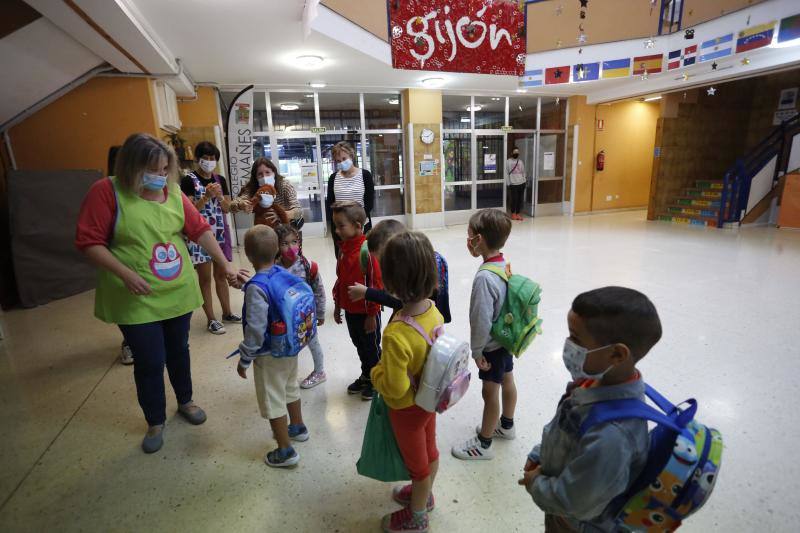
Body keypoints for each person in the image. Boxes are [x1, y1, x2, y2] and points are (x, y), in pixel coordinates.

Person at [75, 133, 241, 453]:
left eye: (165, 169)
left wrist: (225, 265)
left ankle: (186, 401)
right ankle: (155, 419)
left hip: (176, 292)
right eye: (153, 169)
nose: (160, 176)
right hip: (134, 296)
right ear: (131, 166)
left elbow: (200, 231)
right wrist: (125, 274)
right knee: (150, 360)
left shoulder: (174, 193)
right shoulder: (107, 192)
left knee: (179, 350)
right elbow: (89, 242)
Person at [519, 287, 660, 532]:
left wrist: (536, 484)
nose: (568, 345)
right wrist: (540, 453)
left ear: (616, 354)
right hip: (559, 500)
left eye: (575, 338)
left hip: (574, 524)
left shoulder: (613, 436)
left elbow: (576, 503)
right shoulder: (594, 381)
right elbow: (567, 430)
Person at [371, 231, 443, 533]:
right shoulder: (433, 311)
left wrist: (376, 374)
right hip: (430, 399)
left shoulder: (396, 333)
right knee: (431, 450)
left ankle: (417, 517)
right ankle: (423, 497)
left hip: (406, 410)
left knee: (418, 466)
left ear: (389, 282)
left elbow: (395, 388)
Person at [235, 225, 309, 468]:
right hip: (290, 346)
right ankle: (297, 427)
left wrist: (245, 358)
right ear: (277, 249)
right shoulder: (281, 272)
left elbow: (255, 329)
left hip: (269, 354)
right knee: (289, 387)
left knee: (273, 398)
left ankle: (285, 450)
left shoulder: (256, 287)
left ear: (248, 255)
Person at [452, 209, 516, 461]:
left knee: (490, 393)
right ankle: (506, 426)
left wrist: (477, 351)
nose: (467, 240)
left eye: (469, 236)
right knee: (508, 379)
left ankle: (484, 443)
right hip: (506, 339)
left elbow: (480, 320)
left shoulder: (484, 279)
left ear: (479, 240)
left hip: (490, 346)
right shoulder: (503, 265)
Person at [181, 141, 240, 335]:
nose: (208, 161)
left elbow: (227, 208)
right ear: (198, 159)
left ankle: (227, 312)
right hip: (199, 236)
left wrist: (220, 196)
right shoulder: (189, 180)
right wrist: (206, 197)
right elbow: (189, 213)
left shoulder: (220, 179)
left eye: (212, 158)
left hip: (220, 233)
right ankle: (211, 319)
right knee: (205, 278)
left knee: (221, 275)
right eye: (205, 158)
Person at [347, 219, 451, 323]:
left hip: (422, 321)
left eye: (385, 261)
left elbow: (402, 300)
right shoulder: (414, 258)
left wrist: (367, 293)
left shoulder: (413, 269)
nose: (384, 267)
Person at [331, 201, 382, 401]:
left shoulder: (366, 252)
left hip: (367, 313)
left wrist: (372, 315)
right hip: (351, 311)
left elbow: (375, 286)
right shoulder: (343, 250)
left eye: (341, 225)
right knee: (359, 344)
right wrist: (337, 305)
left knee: (371, 347)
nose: (336, 231)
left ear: (358, 225)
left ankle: (377, 379)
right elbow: (340, 280)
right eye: (335, 225)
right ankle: (366, 374)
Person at [274, 224, 327, 389]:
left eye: (294, 241)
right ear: (276, 247)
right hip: (285, 317)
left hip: (306, 315)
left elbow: (319, 290)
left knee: (313, 342)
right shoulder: (274, 268)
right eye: (284, 243)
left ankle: (320, 371)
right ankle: (287, 377)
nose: (291, 247)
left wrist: (320, 313)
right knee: (287, 345)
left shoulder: (308, 266)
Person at [325, 141, 375, 258]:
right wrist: (341, 225)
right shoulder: (333, 178)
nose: (342, 162)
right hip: (340, 227)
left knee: (364, 259)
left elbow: (369, 202)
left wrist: (355, 223)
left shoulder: (365, 175)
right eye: (338, 161)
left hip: (361, 225)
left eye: (344, 158)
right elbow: (330, 204)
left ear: (351, 156)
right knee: (343, 259)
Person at [238, 157, 303, 227]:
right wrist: (241, 204)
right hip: (265, 227)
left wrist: (281, 214)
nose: (264, 177)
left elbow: (298, 211)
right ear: (255, 177)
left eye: (267, 172)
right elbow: (237, 202)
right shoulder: (252, 188)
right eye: (260, 174)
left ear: (274, 173)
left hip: (287, 225)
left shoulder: (284, 186)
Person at [506, 147, 526, 221]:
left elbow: (523, 172)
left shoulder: (520, 162)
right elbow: (506, 173)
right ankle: (513, 214)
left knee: (520, 200)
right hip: (513, 184)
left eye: (517, 152)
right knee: (514, 199)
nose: (516, 153)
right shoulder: (508, 162)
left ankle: (518, 214)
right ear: (511, 153)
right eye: (515, 152)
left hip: (521, 183)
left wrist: (524, 180)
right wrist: (508, 183)